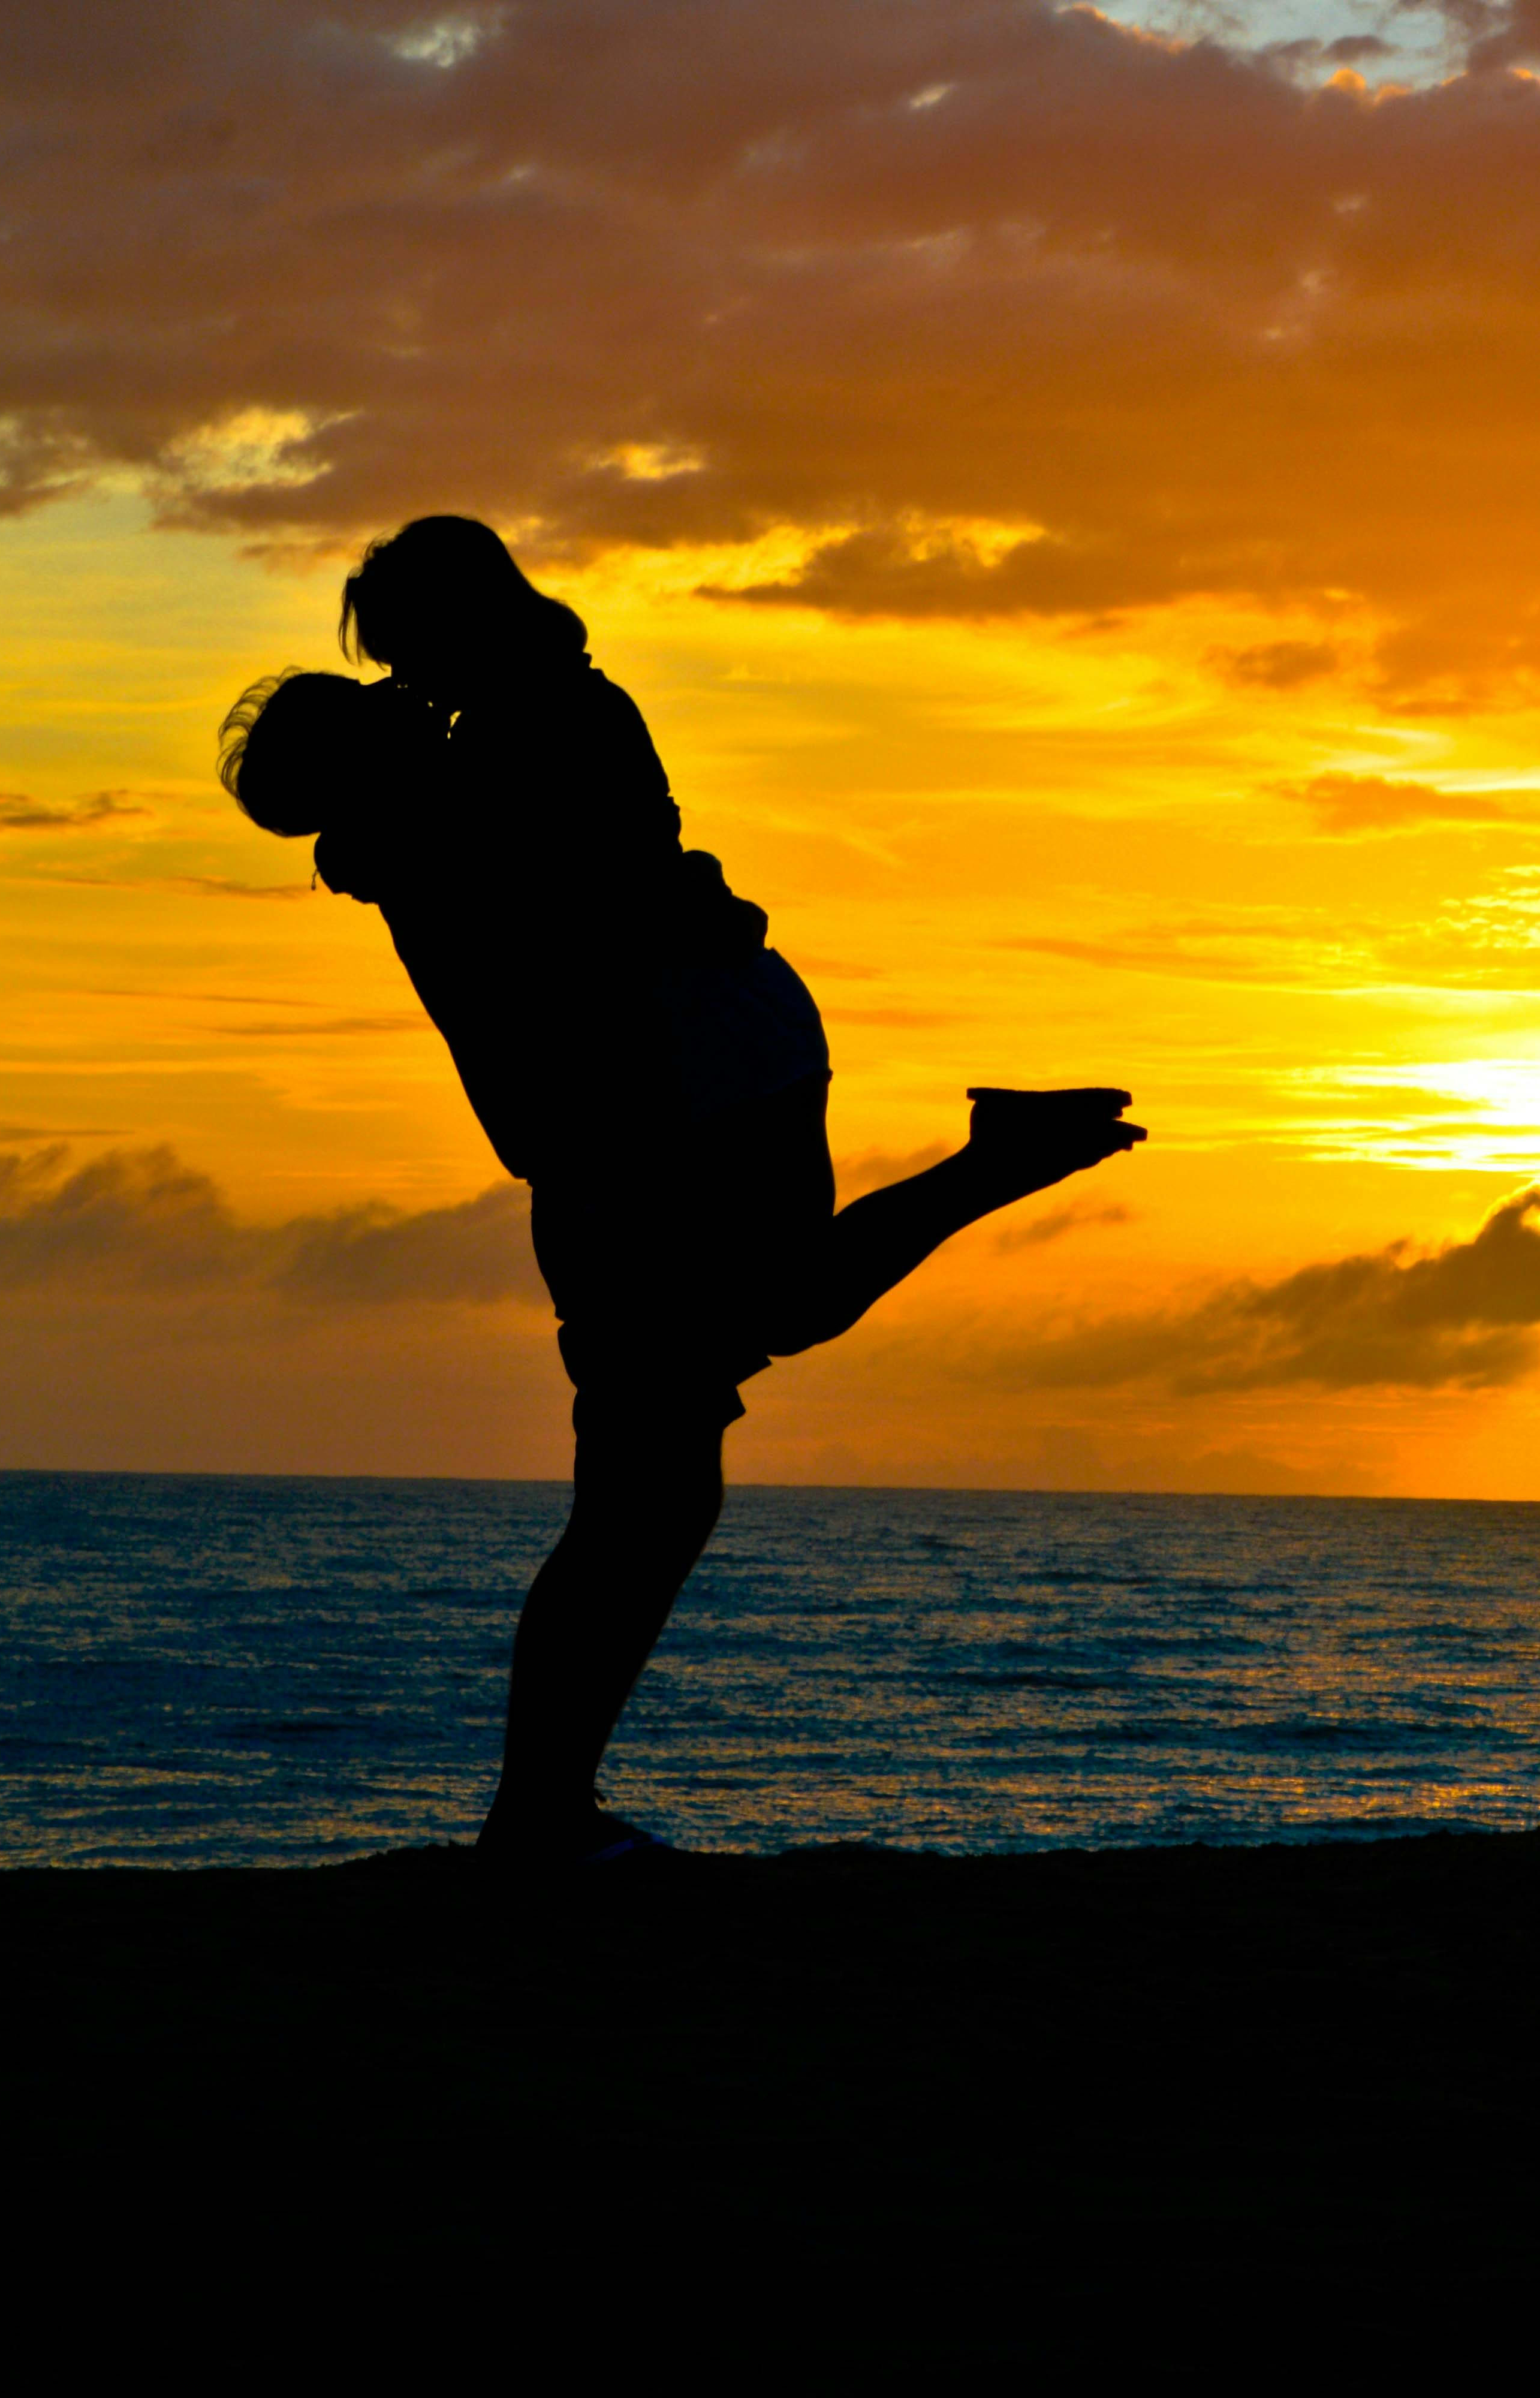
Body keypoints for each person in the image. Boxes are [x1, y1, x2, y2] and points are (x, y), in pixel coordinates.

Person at [220, 516, 1143, 1863]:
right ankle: (541, 1809)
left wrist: (399, 762)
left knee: (666, 1450)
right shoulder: (477, 761)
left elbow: (542, 881)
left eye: (405, 653)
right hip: (670, 1084)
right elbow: (420, 843)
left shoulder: (506, 749)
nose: (399, 680)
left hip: (672, 1082)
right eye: (385, 670)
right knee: (690, 1431)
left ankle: (538, 1813)